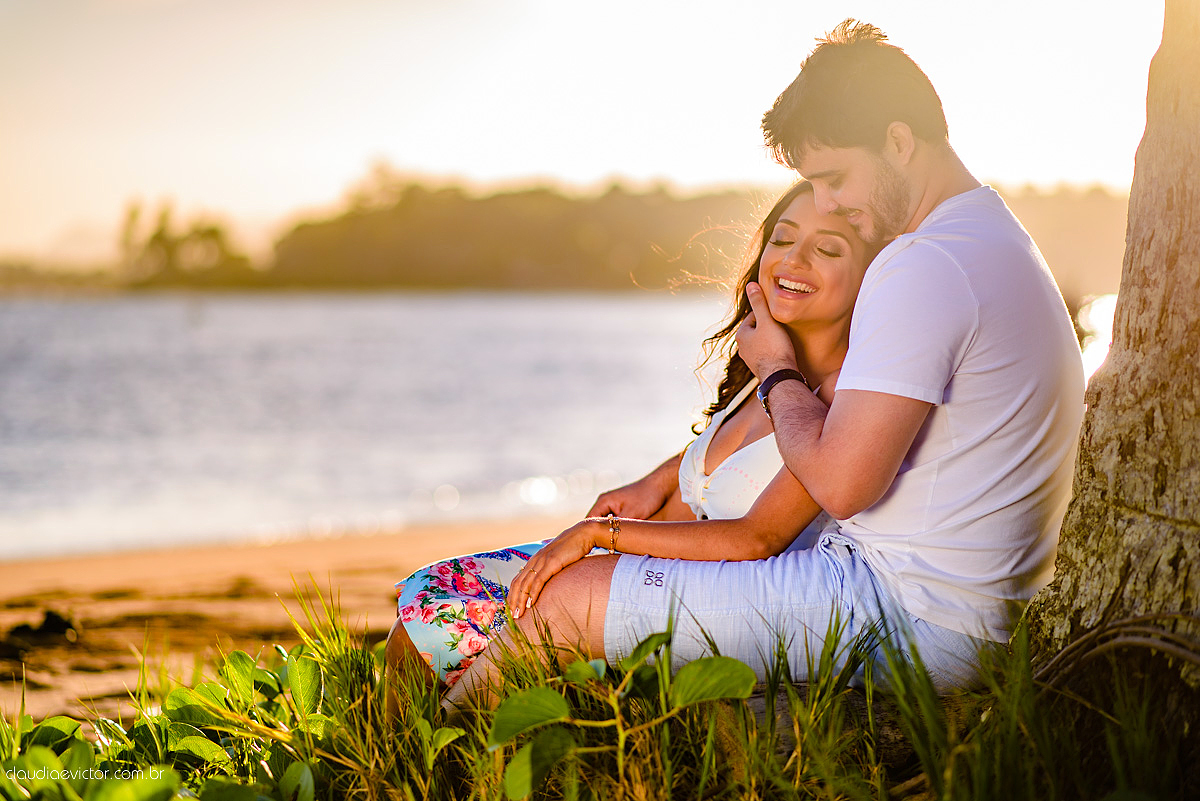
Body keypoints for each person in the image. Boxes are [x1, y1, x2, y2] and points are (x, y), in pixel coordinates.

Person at [424, 18, 1086, 712]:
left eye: (834, 178)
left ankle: (429, 767)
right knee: (577, 593)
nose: (829, 204)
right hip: (953, 607)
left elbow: (841, 484)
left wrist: (774, 369)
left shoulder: (925, 262)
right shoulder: (994, 239)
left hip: (909, 612)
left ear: (898, 140)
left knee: (567, 601)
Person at [386, 180, 875, 693]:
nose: (792, 260)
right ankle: (389, 768)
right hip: (647, 565)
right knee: (428, 600)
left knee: (438, 631)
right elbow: (739, 459)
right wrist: (658, 480)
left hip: (697, 597)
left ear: (868, 278)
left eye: (826, 249)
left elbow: (757, 536)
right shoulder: (763, 360)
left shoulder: (839, 393)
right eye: (782, 239)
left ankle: (427, 763)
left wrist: (603, 533)